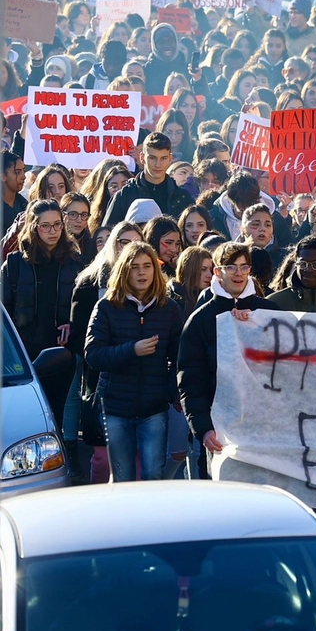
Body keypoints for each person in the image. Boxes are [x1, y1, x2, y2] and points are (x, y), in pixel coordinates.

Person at [85, 241, 185, 482]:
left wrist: (171, 392)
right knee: (123, 476)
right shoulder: (106, 307)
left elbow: (180, 357)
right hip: (116, 407)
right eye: (134, 267)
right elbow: (93, 354)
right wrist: (132, 350)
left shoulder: (169, 309)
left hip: (154, 407)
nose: (141, 272)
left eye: (147, 266)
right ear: (124, 271)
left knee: (153, 473)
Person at [177, 242, 279, 479]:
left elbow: (284, 369)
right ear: (217, 272)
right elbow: (190, 381)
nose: (239, 274)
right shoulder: (200, 320)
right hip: (219, 429)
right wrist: (202, 429)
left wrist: (254, 328)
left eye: (244, 267)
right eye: (231, 267)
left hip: (264, 427)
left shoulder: (269, 312)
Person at [1, 199, 80, 412]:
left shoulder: (75, 262)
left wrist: (73, 325)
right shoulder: (15, 263)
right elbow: (4, 310)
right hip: (25, 353)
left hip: (61, 351)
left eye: (57, 224)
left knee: (57, 411)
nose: (52, 231)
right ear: (34, 227)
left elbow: (85, 307)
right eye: (45, 226)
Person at [102, 133, 196, 227]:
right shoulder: (125, 195)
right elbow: (108, 235)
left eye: (163, 158)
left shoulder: (182, 197)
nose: (158, 164)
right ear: (142, 158)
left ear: (170, 159)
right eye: (152, 158)